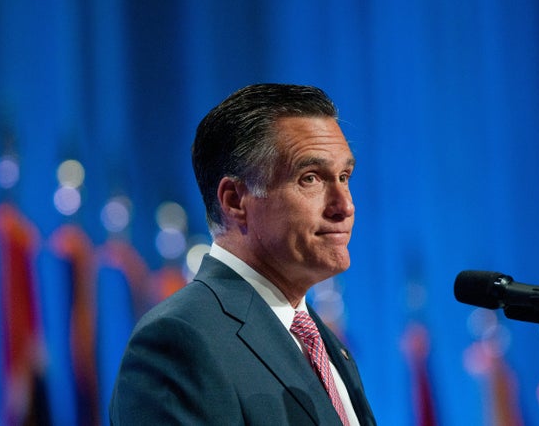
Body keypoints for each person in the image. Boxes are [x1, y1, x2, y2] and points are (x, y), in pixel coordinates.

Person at [110, 84, 376, 425]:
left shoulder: (325, 343)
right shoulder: (178, 343)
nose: (345, 206)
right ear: (235, 201)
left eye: (344, 176)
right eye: (310, 178)